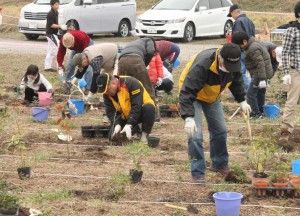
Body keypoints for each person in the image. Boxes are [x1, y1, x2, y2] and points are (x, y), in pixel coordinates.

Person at [178, 43, 251, 183]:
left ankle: (219, 164)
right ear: (221, 59)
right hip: (193, 96)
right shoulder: (203, 65)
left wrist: (242, 100)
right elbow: (187, 92)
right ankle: (198, 172)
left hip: (212, 96)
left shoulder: (232, 64)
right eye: (227, 65)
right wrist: (188, 117)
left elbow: (236, 81)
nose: (230, 69)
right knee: (195, 135)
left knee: (220, 130)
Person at [96, 73, 155, 144]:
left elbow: (137, 107)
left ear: (114, 83)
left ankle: (144, 137)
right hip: (126, 117)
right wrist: (117, 124)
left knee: (149, 108)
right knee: (112, 137)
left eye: (107, 90)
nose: (106, 93)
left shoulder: (132, 83)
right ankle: (134, 131)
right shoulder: (107, 94)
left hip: (140, 114)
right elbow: (111, 111)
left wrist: (129, 124)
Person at [232, 31, 273, 119]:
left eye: (239, 45)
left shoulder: (252, 48)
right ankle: (260, 110)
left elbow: (260, 63)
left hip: (259, 74)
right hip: (261, 74)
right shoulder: (253, 44)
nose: (239, 48)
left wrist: (261, 79)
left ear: (244, 41)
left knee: (250, 94)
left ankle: (255, 114)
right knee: (259, 93)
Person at [279, 1, 300, 142]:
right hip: (296, 71)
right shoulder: (292, 31)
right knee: (292, 101)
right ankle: (286, 129)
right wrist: (286, 72)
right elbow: (285, 52)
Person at [228, 4, 256, 91]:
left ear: (234, 12)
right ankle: (237, 92)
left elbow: (237, 38)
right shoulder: (249, 21)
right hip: (250, 49)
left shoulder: (238, 22)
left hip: (241, 50)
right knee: (250, 72)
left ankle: (249, 90)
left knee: (240, 72)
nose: (232, 17)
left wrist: (233, 50)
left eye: (231, 15)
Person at [44, 0, 67, 72]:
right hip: (50, 34)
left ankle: (47, 67)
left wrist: (60, 26)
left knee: (50, 51)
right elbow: (51, 25)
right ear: (51, 5)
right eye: (56, 4)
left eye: (58, 4)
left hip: (54, 34)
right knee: (59, 48)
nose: (58, 5)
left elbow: (55, 23)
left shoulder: (56, 12)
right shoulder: (50, 14)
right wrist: (60, 26)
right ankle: (60, 65)